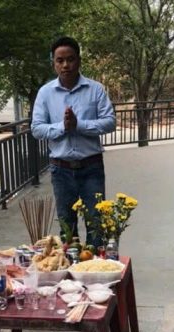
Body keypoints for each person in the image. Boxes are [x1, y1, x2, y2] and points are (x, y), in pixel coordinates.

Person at [31, 36, 116, 247]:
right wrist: (63, 127)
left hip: (91, 167)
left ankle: (95, 265)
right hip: (61, 170)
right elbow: (37, 128)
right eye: (60, 60)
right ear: (53, 63)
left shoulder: (95, 89)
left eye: (70, 59)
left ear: (79, 60)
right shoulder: (45, 93)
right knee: (67, 227)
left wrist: (79, 125)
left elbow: (109, 122)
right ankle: (72, 266)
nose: (65, 65)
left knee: (96, 224)